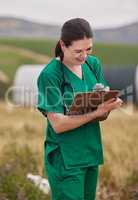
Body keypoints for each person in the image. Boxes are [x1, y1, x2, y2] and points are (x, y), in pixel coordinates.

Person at [37, 18, 123, 200]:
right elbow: (58, 125)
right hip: (66, 159)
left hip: (90, 152)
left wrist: (107, 107)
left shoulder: (93, 65)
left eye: (88, 49)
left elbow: (101, 116)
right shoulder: (50, 75)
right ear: (63, 45)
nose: (84, 56)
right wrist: (96, 112)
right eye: (78, 51)